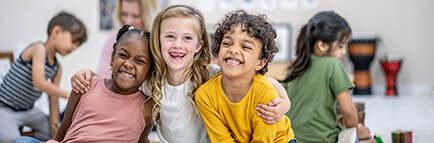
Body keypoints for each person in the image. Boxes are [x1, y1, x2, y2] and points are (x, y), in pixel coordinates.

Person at [70, 5, 291, 143]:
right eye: (169, 37)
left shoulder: (209, 75)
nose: (177, 45)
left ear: (198, 45)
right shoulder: (150, 81)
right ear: (157, 41)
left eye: (187, 38)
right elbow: (115, 81)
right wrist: (88, 74)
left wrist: (284, 103)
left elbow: (262, 82)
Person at [14, 25, 155, 143]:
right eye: (123, 56)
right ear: (112, 58)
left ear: (150, 71)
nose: (128, 64)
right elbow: (65, 125)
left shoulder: (148, 106)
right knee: (22, 141)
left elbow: (142, 140)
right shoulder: (86, 84)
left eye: (140, 61)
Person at [195, 10, 296, 143]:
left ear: (260, 63)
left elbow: (262, 141)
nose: (233, 49)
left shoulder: (265, 93)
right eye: (226, 43)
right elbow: (222, 140)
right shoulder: (205, 95)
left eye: (246, 47)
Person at [280, 11, 375, 143]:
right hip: (323, 139)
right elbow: (348, 112)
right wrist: (357, 131)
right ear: (322, 45)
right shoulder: (333, 64)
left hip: (290, 139)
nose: (343, 52)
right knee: (371, 141)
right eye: (341, 46)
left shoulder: (294, 67)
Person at [0, 11, 87, 143]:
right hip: (5, 107)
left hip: (28, 110)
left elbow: (53, 100)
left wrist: (55, 131)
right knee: (11, 139)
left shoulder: (57, 68)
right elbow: (39, 82)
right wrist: (70, 95)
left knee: (52, 132)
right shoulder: (39, 48)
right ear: (56, 32)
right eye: (73, 41)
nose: (74, 48)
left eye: (77, 45)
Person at [97, 0, 158, 78]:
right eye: (124, 14)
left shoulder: (158, 44)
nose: (128, 21)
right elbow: (103, 77)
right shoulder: (114, 39)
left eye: (135, 16)